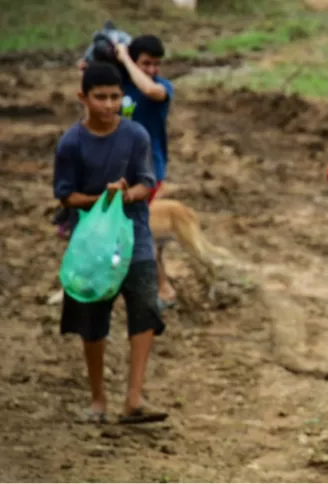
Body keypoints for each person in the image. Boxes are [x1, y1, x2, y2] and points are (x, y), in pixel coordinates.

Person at [53, 62, 168, 425]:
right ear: (82, 98)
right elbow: (66, 196)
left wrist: (125, 194)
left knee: (146, 308)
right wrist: (101, 198)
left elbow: (146, 183)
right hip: (90, 246)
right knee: (92, 319)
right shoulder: (71, 142)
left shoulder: (136, 136)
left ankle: (134, 398)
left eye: (114, 97)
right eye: (99, 97)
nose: (107, 104)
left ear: (123, 98)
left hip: (135, 237)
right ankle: (98, 397)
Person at [114, 34, 177, 307]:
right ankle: (159, 287)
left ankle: (161, 289)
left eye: (156, 64)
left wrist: (125, 58)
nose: (152, 70)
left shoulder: (162, 87)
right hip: (121, 173)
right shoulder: (120, 87)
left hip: (150, 172)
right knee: (133, 229)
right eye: (146, 63)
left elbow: (151, 91)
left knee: (135, 229)